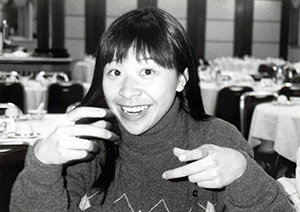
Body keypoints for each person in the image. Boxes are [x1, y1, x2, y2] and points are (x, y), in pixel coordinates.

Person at [10, 8, 292, 212]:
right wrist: (42, 163)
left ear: (181, 79)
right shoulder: (91, 144)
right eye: (116, 72)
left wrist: (243, 173)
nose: (127, 91)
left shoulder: (217, 139)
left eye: (147, 71)